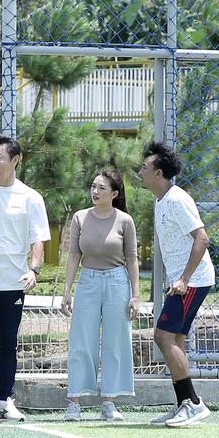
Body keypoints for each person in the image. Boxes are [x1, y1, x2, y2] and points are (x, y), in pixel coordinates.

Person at [0, 135, 50, 422]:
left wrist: (34, 269)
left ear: (15, 161)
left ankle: (4, 400)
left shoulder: (31, 197)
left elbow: (38, 239)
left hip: (13, 283)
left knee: (9, 343)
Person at [138, 141, 215, 428]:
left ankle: (193, 403)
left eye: (145, 168)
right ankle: (185, 404)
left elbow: (201, 238)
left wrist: (183, 279)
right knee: (175, 339)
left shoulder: (177, 199)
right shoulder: (161, 200)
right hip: (183, 281)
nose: (140, 172)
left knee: (162, 336)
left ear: (159, 174)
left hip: (192, 280)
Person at [61, 169, 140, 421]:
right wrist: (66, 291)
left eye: (101, 188)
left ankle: (109, 401)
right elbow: (74, 255)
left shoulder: (125, 220)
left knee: (116, 342)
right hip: (88, 282)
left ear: (114, 194)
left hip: (117, 282)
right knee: (81, 341)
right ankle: (74, 402)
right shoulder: (80, 217)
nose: (95, 192)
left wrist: (136, 295)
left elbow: (132, 259)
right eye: (93, 186)